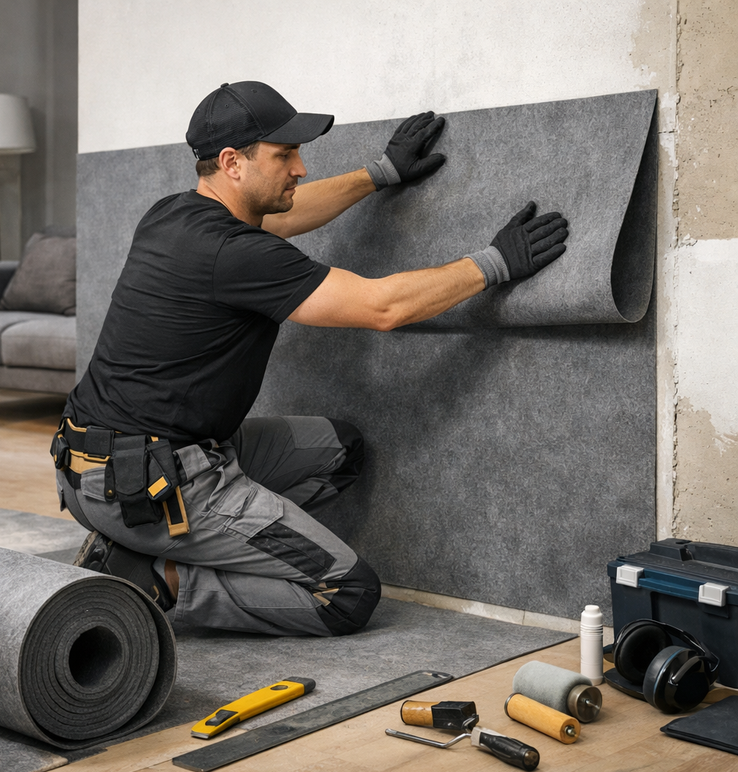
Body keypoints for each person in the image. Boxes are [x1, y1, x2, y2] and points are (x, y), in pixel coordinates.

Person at [52, 81, 568, 637]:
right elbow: (383, 307)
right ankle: (159, 577)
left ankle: (153, 539)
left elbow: (286, 216)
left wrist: (381, 172)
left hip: (96, 467)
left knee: (339, 451)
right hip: (157, 483)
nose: (299, 168)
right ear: (232, 163)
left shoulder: (173, 214)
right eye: (284, 155)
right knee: (347, 594)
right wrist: (494, 263)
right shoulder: (237, 253)